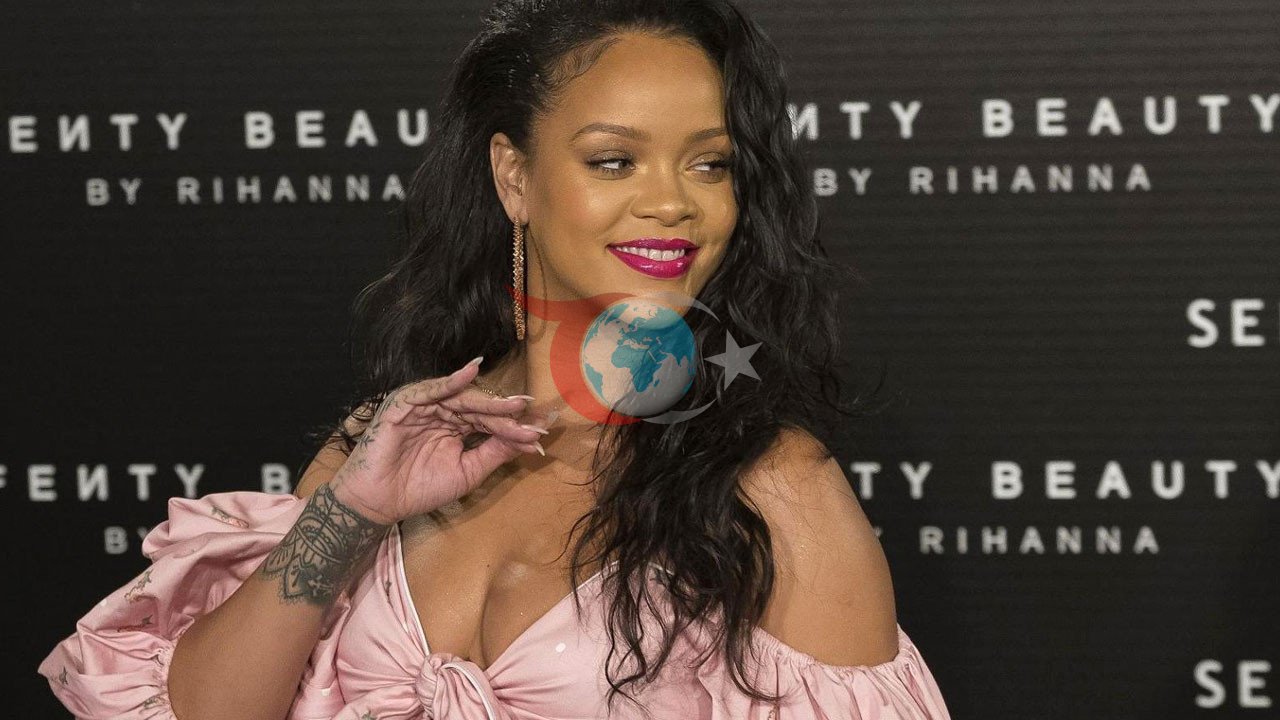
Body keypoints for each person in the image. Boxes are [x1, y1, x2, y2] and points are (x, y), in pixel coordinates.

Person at [38, 1, 954, 718]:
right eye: (614, 161)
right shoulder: (384, 447)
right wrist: (352, 511)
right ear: (515, 177)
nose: (673, 203)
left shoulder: (777, 489)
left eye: (710, 165)